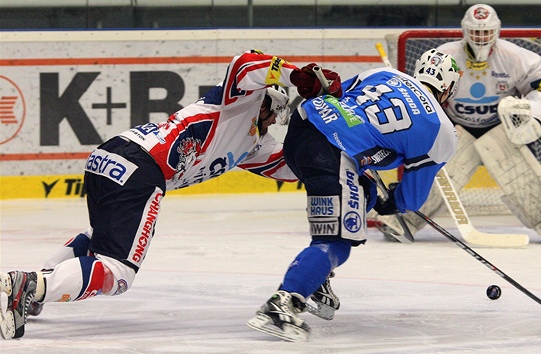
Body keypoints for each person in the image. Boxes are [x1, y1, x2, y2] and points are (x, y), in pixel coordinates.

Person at [0, 50, 342, 340]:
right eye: (272, 116)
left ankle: (36, 286)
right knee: (118, 271)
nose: (271, 125)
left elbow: (299, 166)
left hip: (111, 157)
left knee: (102, 239)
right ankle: (30, 285)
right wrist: (296, 73)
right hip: (141, 167)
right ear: (265, 103)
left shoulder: (253, 145)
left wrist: (345, 146)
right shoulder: (237, 101)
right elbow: (245, 62)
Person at [247, 48, 461, 342]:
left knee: (364, 191)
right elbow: (411, 200)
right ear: (448, 88)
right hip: (333, 155)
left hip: (303, 127)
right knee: (338, 240)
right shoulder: (442, 131)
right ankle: (285, 302)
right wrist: (392, 203)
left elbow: (335, 95)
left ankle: (315, 273)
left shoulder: (385, 74)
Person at [375, 3, 541, 244]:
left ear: (497, 31)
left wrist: (531, 111)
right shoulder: (445, 56)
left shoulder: (517, 58)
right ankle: (401, 219)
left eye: (486, 32)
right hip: (456, 128)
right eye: (476, 32)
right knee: (435, 173)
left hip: (501, 128)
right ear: (465, 31)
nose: (481, 38)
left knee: (519, 175)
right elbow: (424, 93)